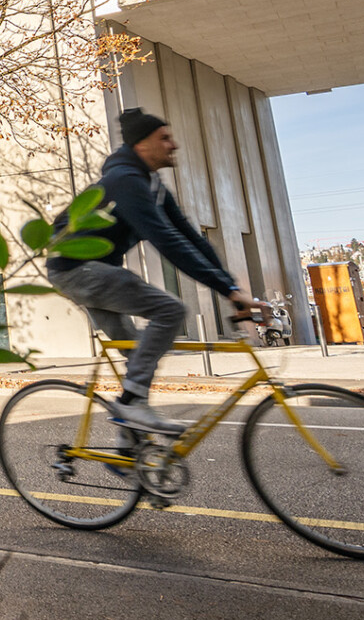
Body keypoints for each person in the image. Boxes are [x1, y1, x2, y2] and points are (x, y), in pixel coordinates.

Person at [50, 109, 257, 434]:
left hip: (94, 271)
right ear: (142, 145)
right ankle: (131, 405)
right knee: (170, 309)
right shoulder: (126, 182)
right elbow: (168, 243)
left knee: (136, 357)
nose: (173, 144)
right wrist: (228, 291)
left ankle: (131, 448)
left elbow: (190, 239)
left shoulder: (153, 186)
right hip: (77, 270)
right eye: (164, 137)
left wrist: (231, 287)